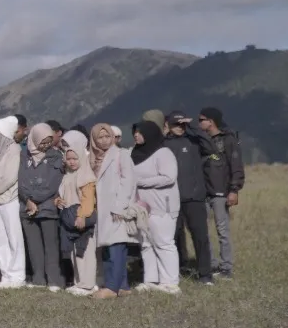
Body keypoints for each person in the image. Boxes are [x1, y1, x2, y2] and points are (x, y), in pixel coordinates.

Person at [164, 113, 215, 285]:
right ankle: (176, 270)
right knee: (174, 237)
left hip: (195, 198)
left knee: (200, 236)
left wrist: (193, 128)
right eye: (176, 124)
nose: (180, 126)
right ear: (168, 125)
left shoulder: (194, 141)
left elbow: (211, 147)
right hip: (172, 198)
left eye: (182, 124)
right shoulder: (164, 144)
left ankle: (205, 275)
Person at [131, 120, 181, 295]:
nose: (136, 135)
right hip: (143, 208)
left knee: (164, 242)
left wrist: (141, 182)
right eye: (135, 132)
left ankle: (170, 282)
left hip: (163, 207)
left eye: (140, 132)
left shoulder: (163, 153)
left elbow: (169, 177)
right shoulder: (134, 153)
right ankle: (151, 279)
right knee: (146, 243)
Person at [89, 123, 137, 299]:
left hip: (116, 209)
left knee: (116, 246)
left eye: (107, 136)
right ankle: (122, 285)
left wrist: (119, 206)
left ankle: (111, 287)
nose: (104, 141)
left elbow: (128, 181)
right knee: (109, 247)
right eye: (100, 137)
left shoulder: (121, 155)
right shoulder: (94, 158)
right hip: (103, 210)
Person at [18, 123, 66, 291]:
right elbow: (21, 180)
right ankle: (38, 278)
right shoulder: (24, 155)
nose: (45, 145)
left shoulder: (56, 157)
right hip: (27, 208)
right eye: (42, 142)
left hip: (47, 208)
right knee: (34, 246)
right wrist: (27, 199)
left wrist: (35, 199)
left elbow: (53, 184)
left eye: (48, 141)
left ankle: (54, 279)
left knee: (51, 246)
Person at [197, 107, 243, 279]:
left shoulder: (228, 141)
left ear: (211, 121)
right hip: (203, 192)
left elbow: (237, 167)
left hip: (221, 193)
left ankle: (226, 268)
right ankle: (212, 264)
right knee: (203, 231)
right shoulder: (201, 141)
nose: (199, 122)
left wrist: (234, 190)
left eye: (202, 119)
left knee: (222, 231)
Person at [0, 116, 26, 288]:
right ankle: (6, 275)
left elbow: (10, 176)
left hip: (9, 199)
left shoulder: (14, 150)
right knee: (0, 239)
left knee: (14, 238)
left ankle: (18, 276)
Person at [56, 130, 99, 296]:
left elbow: (88, 199)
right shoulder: (68, 175)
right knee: (74, 253)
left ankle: (88, 284)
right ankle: (78, 282)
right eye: (69, 159)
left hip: (82, 218)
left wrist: (82, 216)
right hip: (69, 217)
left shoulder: (85, 175)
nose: (72, 162)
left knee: (85, 251)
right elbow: (63, 194)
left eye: (75, 158)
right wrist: (58, 201)